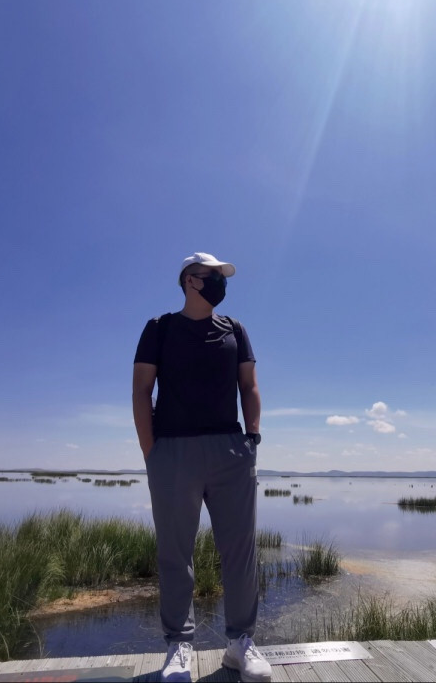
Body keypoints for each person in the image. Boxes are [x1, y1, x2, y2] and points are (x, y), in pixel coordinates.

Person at [132, 252, 271, 683]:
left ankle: (240, 643)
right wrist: (152, 454)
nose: (219, 284)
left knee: (240, 551)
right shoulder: (159, 328)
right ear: (190, 281)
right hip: (172, 452)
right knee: (175, 553)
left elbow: (249, 386)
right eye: (213, 277)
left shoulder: (236, 330)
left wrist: (251, 438)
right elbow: (141, 391)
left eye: (220, 278)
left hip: (231, 450)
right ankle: (179, 647)